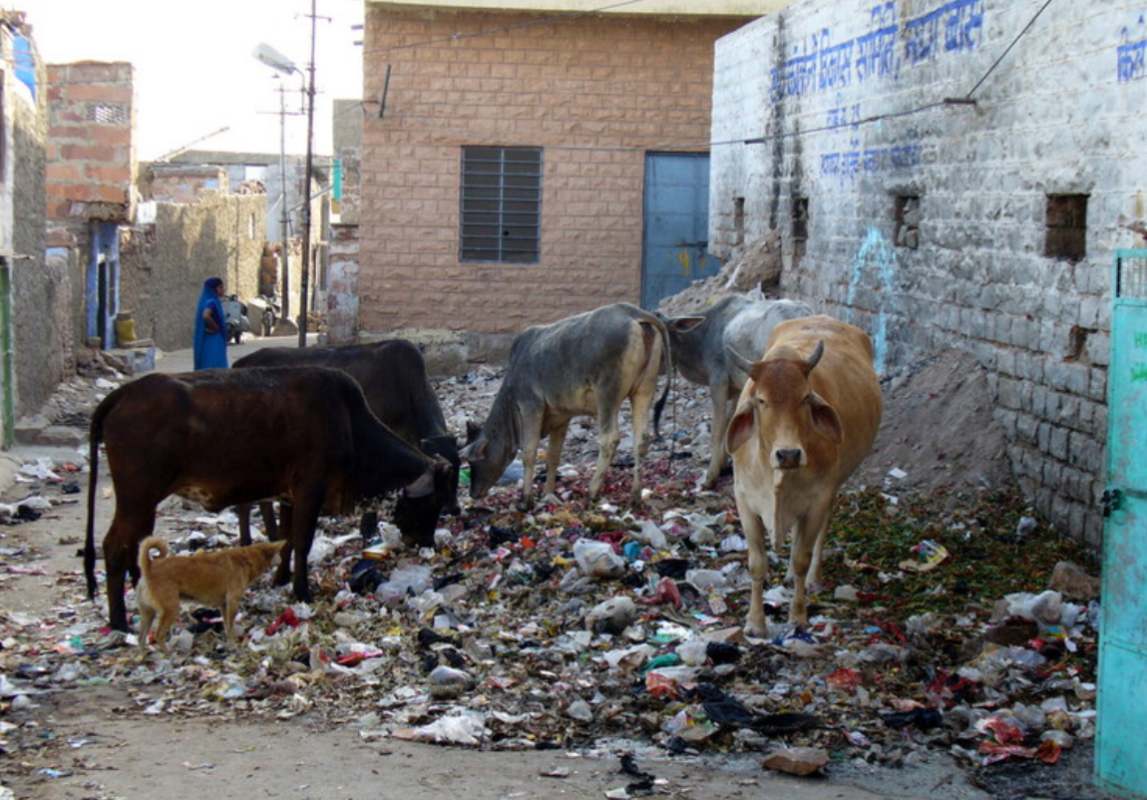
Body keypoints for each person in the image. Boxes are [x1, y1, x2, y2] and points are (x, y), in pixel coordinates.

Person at [193, 277, 229, 370]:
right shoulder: (212, 302)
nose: (223, 290)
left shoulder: (205, 301)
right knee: (215, 365)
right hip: (214, 339)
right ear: (214, 289)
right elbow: (205, 315)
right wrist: (215, 327)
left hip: (207, 339)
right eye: (220, 287)